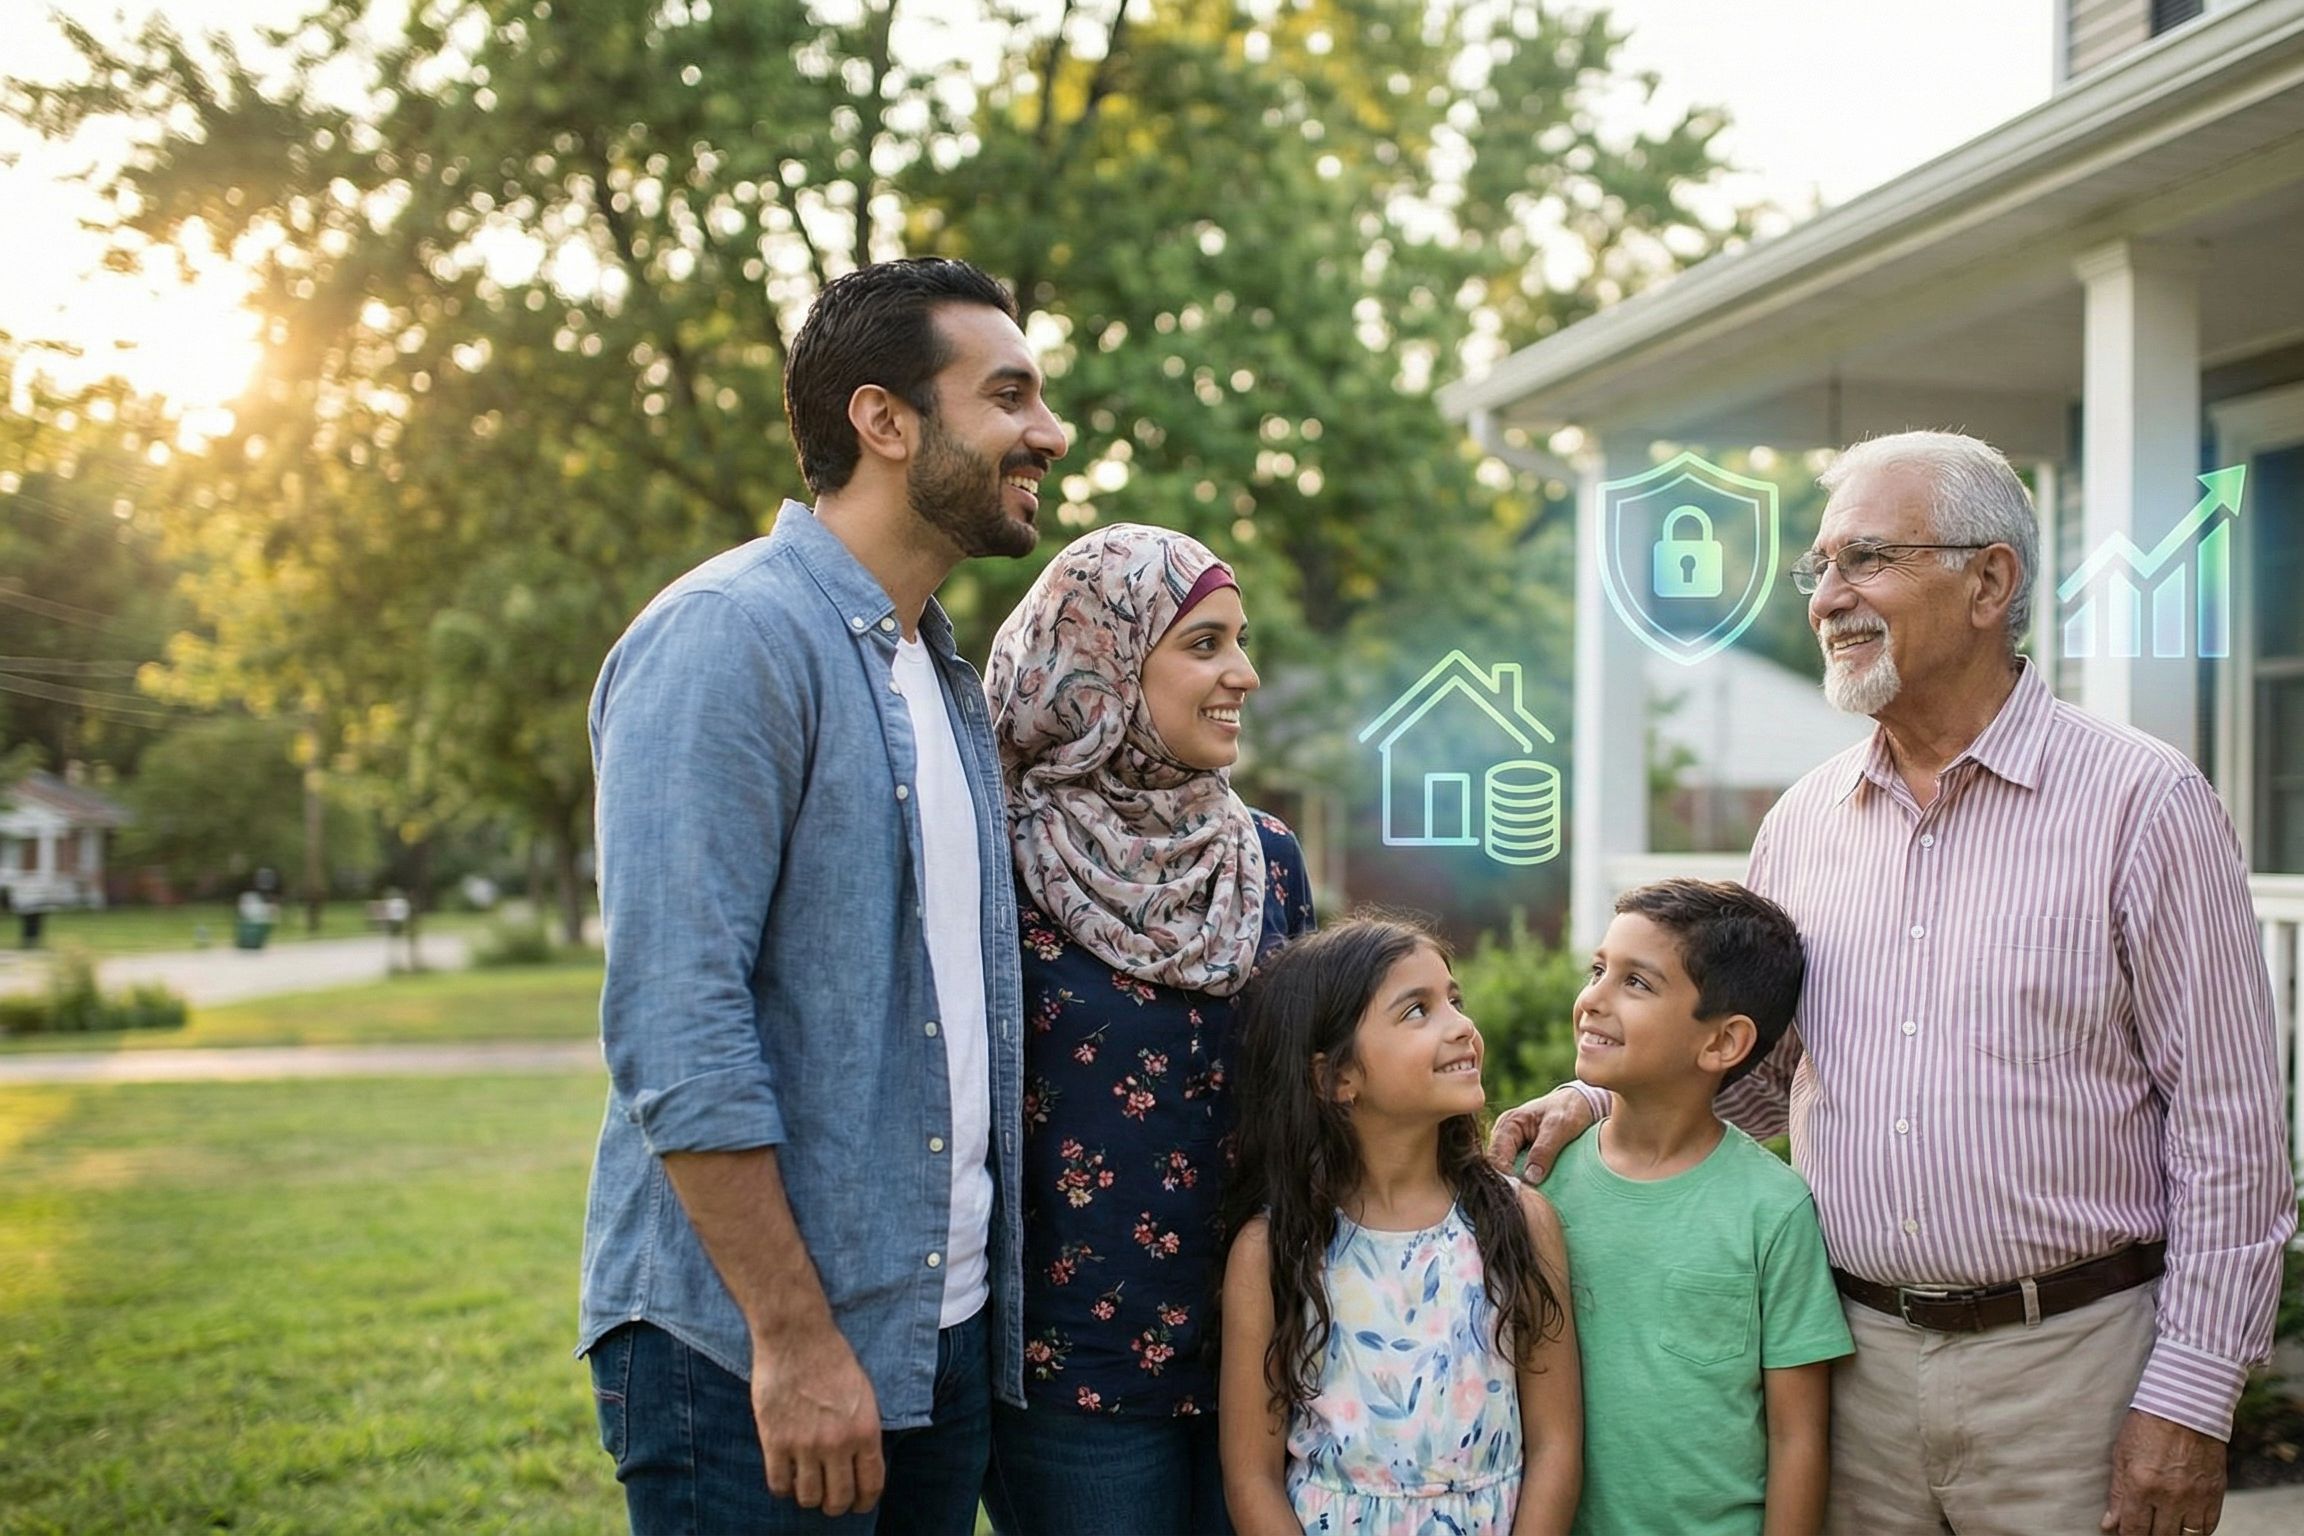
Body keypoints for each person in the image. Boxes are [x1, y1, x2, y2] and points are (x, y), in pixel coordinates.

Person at [1497, 430, 2295, 1536]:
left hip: (2070, 1376)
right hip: (1849, 1367)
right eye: (1819, 567)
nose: (1828, 597)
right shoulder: (1802, 824)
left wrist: (2192, 1399)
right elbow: (1753, 1072)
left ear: (1989, 582)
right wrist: (1592, 1106)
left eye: (1866, 559)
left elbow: (2229, 1127)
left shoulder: (2141, 805)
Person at [578, 255, 1065, 1533]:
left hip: (933, 1337)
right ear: (884, 421)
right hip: (750, 1356)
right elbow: (676, 1022)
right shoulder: (730, 637)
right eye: (1008, 396)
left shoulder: (942, 677)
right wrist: (792, 1341)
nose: (1048, 434)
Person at [975, 523, 1315, 1535]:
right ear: (1103, 661)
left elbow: (1317, 1097)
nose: (1243, 674)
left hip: (1263, 1358)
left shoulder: (1267, 859)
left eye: (1240, 640)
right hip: (1071, 1378)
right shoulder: (996, 853)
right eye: (1204, 643)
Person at [1217, 919, 1583, 1536]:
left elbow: (1556, 1449)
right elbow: (1251, 1476)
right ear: (1336, 1078)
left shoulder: (1518, 1222)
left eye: (1455, 1000)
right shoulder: (1273, 1252)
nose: (1462, 1027)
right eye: (1418, 1010)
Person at [1544, 878, 1851, 1536]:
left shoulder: (1773, 1207)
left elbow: (1798, 1438)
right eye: (1599, 969)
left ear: (1721, 1043)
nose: (1593, 999)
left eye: (1636, 983)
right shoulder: (1538, 1179)